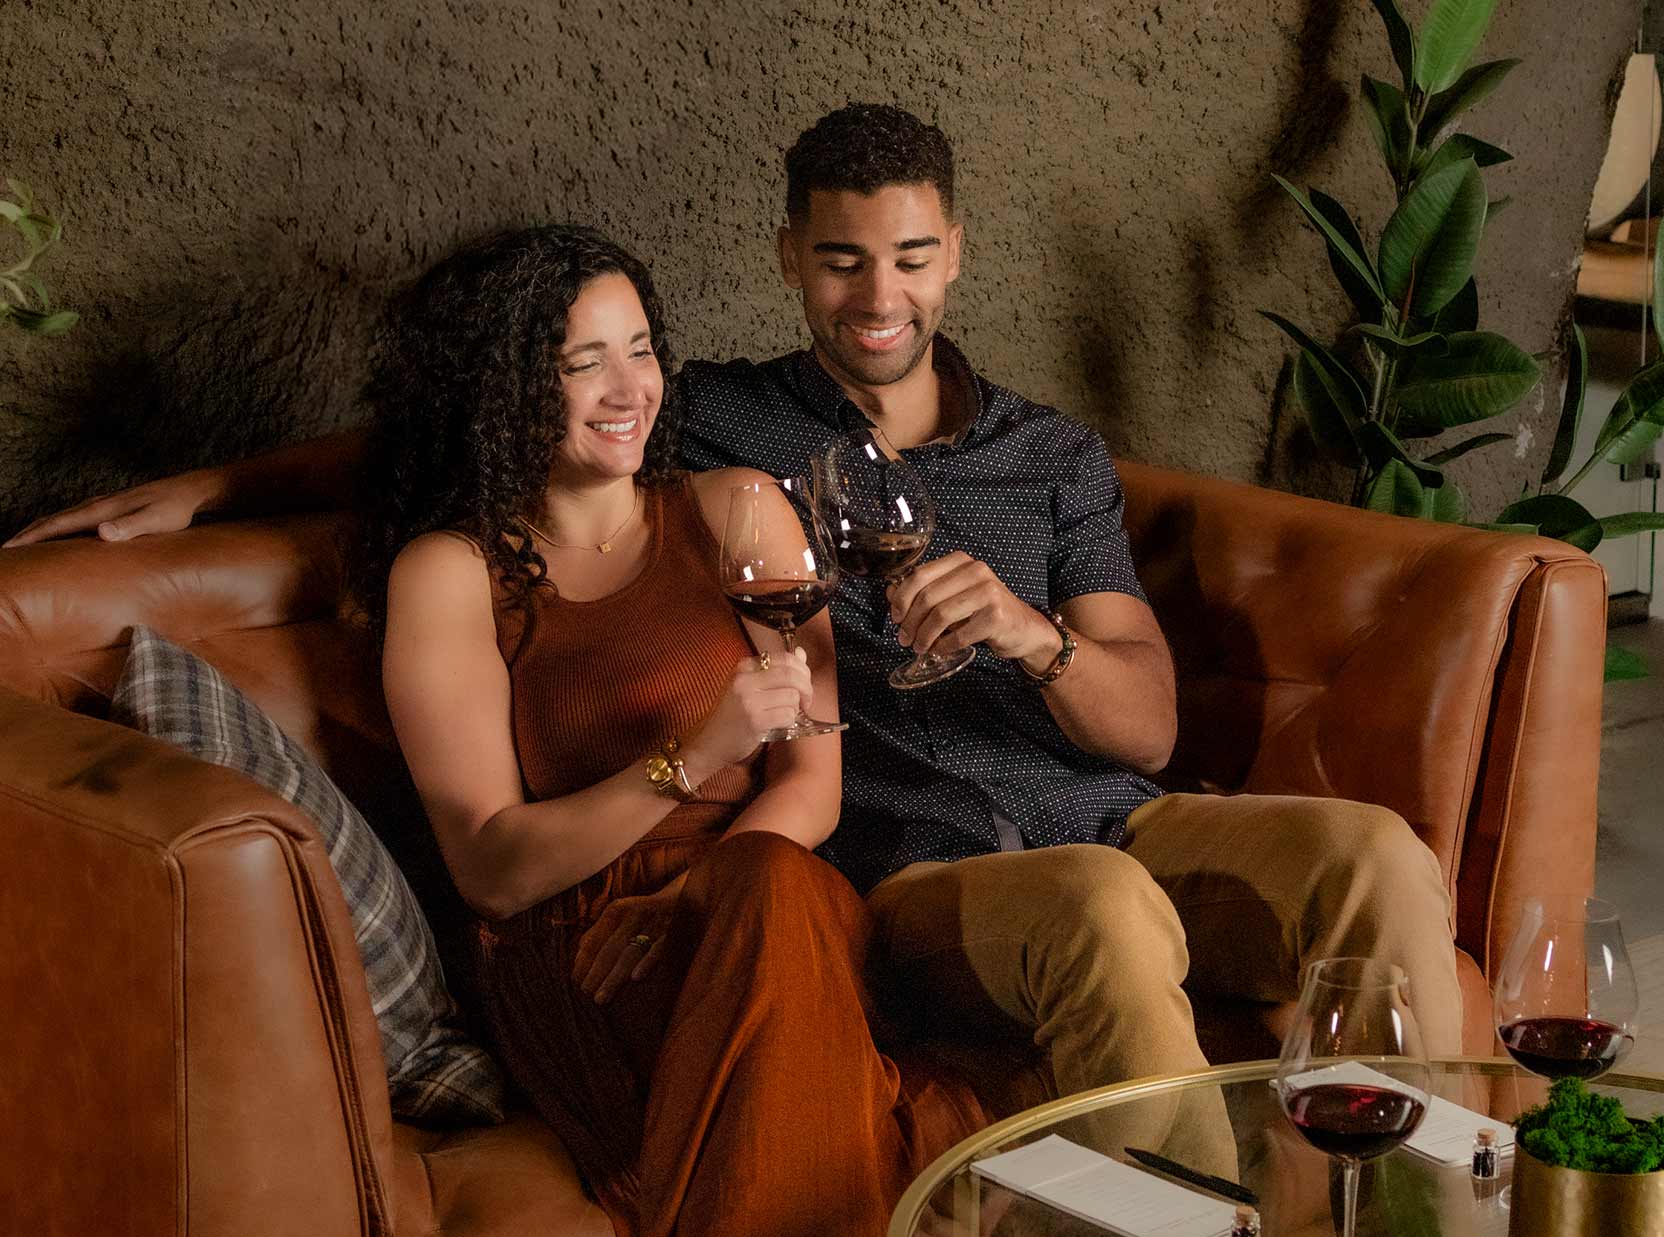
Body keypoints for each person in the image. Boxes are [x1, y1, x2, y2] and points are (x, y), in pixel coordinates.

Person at [10, 105, 1464, 1120]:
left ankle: (1419, 1231)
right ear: (790, 260)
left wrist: (1037, 638)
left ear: (954, 254)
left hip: (1106, 808)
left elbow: (1144, 719)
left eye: (907, 258)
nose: (876, 295)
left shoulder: (1054, 457)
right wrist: (210, 487)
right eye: (840, 259)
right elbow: (496, 415)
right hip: (904, 864)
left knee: (1377, 859)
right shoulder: (714, 422)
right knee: (1102, 914)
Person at [348, 223, 983, 1237]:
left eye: (639, 348)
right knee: (836, 1020)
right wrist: (689, 760)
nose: (626, 387)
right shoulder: (451, 571)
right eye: (580, 361)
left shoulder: (735, 508)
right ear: (504, 386)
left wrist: (701, 895)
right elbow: (490, 865)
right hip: (592, 935)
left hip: (758, 885)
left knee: (778, 891)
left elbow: (812, 783)